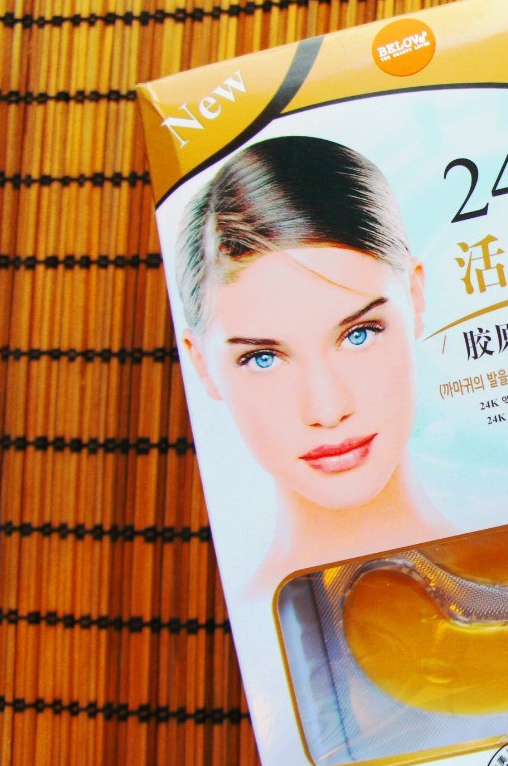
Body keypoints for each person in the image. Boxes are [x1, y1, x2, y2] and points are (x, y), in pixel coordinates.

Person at [178, 135, 445, 580]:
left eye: (359, 334)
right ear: (202, 364)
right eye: (263, 358)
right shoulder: (255, 617)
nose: (328, 410)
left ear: (415, 298)